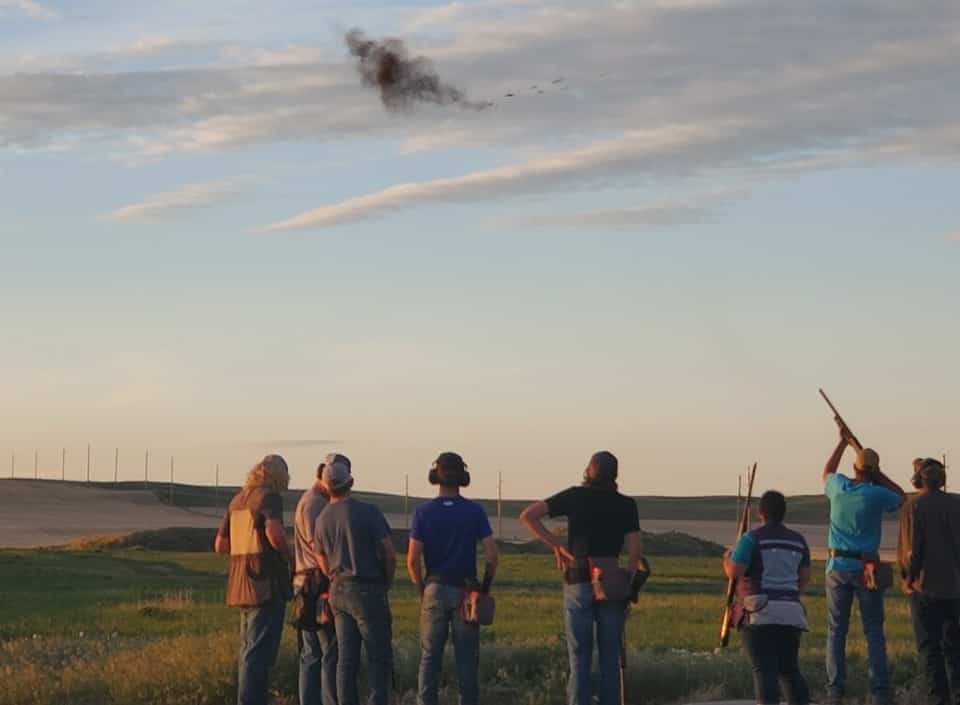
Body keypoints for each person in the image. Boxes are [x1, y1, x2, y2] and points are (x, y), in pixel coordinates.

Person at [519, 450, 644, 705]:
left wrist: (557, 544)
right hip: (611, 581)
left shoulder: (574, 496)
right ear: (615, 475)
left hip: (577, 577)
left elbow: (528, 516)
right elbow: (634, 554)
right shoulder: (626, 504)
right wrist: (628, 589)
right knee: (610, 659)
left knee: (579, 659)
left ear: (589, 471)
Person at [407, 452, 500, 705]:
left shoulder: (422, 512)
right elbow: (492, 555)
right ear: (463, 476)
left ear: (435, 476)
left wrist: (421, 590)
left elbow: (412, 559)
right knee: (467, 660)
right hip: (466, 593)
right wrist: (484, 588)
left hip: (434, 588)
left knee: (429, 657)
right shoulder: (475, 511)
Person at [822, 429, 905, 705]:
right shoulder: (877, 494)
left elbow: (827, 471)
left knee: (836, 631)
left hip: (837, 565)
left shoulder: (839, 487)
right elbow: (902, 497)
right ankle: (880, 691)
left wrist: (842, 443)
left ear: (855, 468)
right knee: (873, 630)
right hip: (867, 567)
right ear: (875, 471)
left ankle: (835, 690)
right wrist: (879, 474)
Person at [314, 457, 396, 705]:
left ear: (327, 486)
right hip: (368, 588)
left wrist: (333, 576)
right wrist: (386, 581)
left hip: (338, 590)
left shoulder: (322, 518)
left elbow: (320, 557)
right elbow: (389, 553)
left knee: (345, 659)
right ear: (351, 482)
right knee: (378, 657)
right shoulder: (368, 512)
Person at [214, 454, 293, 705]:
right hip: (265, 583)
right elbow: (275, 534)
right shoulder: (269, 498)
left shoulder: (237, 501)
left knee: (248, 650)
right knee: (259, 653)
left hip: (240, 584)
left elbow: (220, 545)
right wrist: (289, 556)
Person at [724, 490, 812, 705]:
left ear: (760, 512)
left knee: (764, 670)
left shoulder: (751, 539)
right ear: (783, 513)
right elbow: (804, 577)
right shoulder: (798, 540)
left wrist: (726, 558)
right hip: (791, 612)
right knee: (789, 669)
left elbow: (735, 572)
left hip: (759, 614)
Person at [898, 457, 960, 705]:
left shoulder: (914, 507)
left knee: (929, 648)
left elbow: (912, 549)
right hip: (955, 589)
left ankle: (938, 699)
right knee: (954, 647)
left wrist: (908, 578)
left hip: (925, 587)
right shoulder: (957, 505)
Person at [293, 454, 343, 705]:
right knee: (328, 651)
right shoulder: (315, 504)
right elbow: (319, 547)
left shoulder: (310, 501)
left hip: (307, 581)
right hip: (316, 582)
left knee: (311, 653)